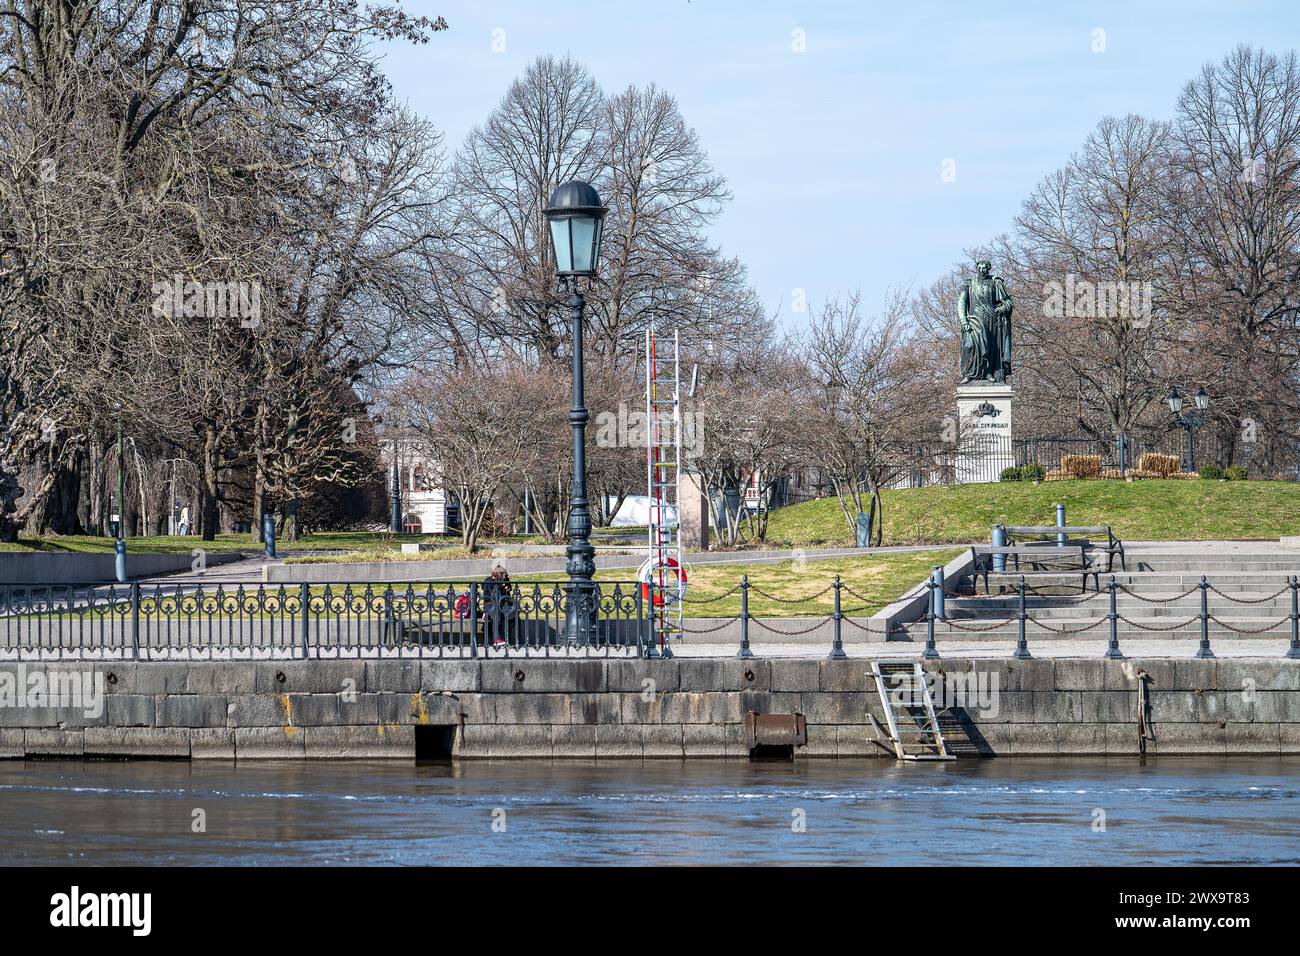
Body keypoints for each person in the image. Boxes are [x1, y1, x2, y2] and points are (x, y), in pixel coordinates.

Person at [481, 565, 517, 648]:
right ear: (499, 574)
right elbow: (494, 595)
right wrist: (504, 590)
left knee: (512, 614)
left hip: (501, 604)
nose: (505, 576)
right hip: (490, 605)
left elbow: (508, 590)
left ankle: (509, 639)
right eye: (504, 574)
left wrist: (507, 581)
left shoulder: (501, 581)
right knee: (497, 615)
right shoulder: (489, 581)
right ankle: (497, 639)